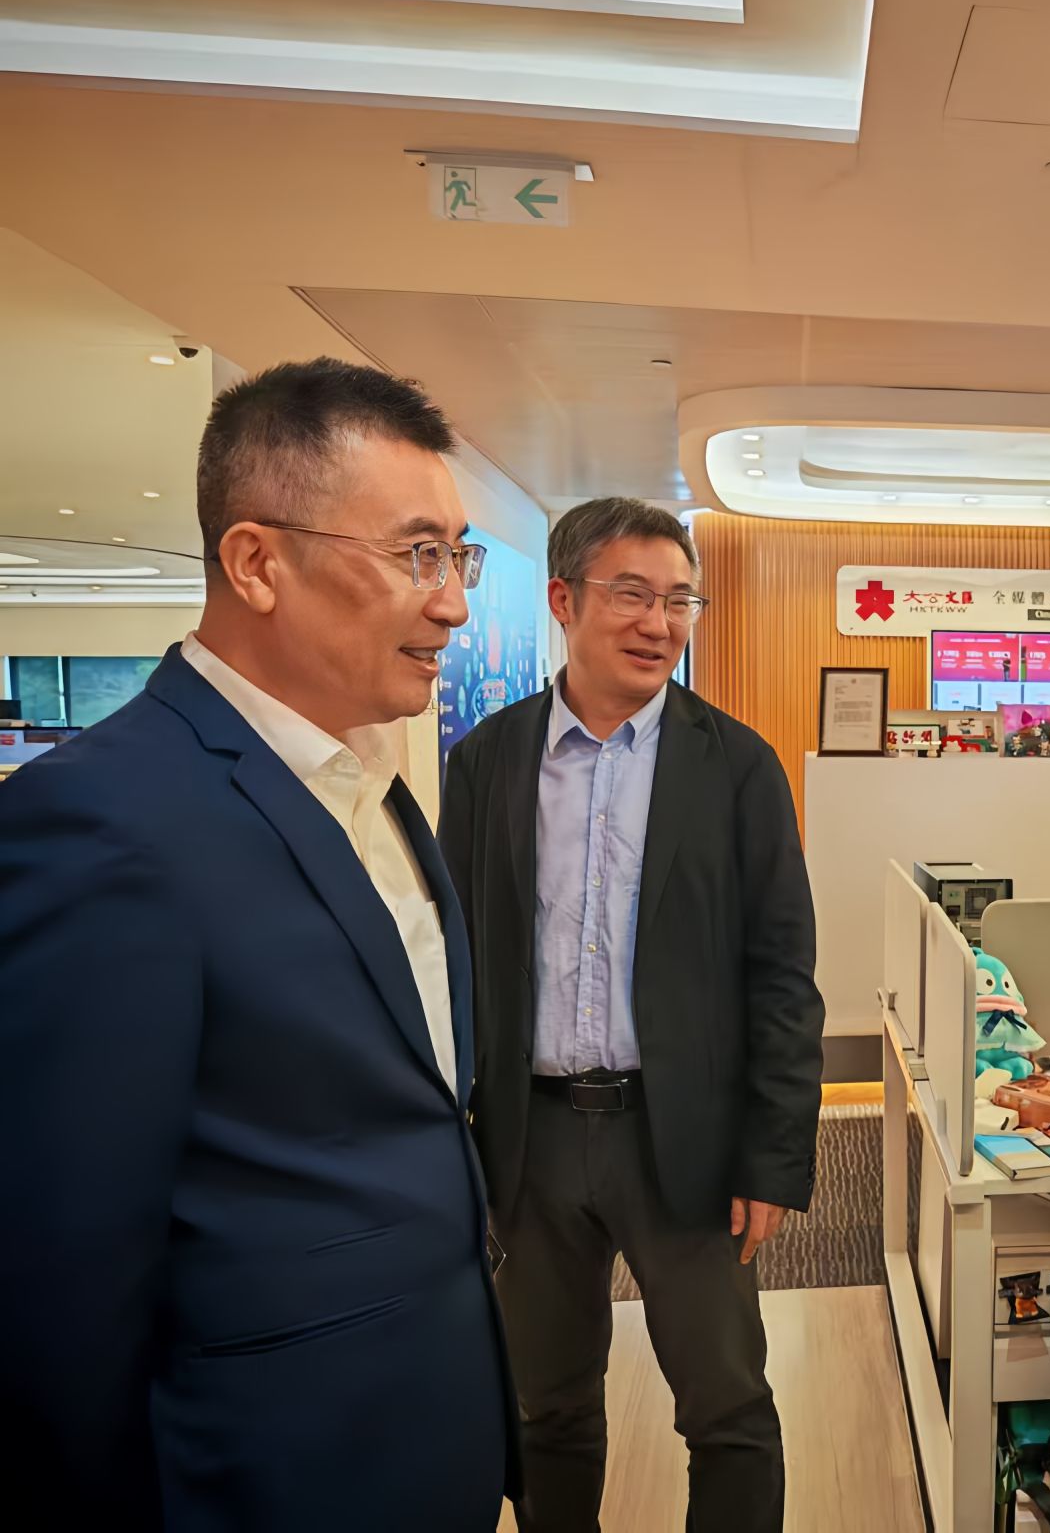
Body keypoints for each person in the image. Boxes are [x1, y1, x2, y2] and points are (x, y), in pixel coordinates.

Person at [0, 358, 514, 1529]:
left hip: (422, 1435)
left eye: (458, 557)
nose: (452, 604)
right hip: (267, 1476)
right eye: (416, 554)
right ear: (255, 562)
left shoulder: (369, 782)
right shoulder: (103, 824)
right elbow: (58, 1281)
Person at [439, 496, 825, 1533]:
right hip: (531, 1140)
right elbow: (456, 960)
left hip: (683, 1140)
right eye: (633, 595)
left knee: (728, 1410)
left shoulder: (736, 766)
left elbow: (782, 974)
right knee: (547, 1409)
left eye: (680, 600)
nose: (660, 623)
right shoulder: (486, 762)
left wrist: (771, 1159)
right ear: (564, 600)